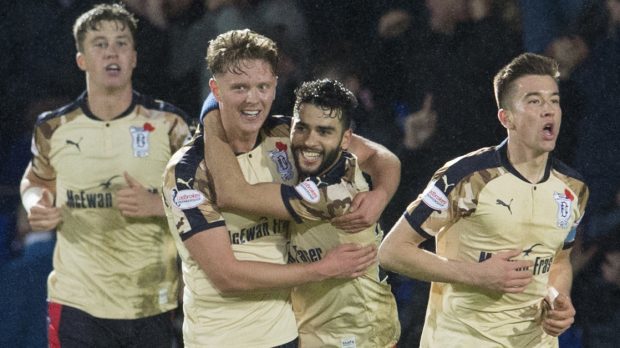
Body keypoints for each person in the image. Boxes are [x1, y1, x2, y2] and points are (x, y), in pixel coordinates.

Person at [162, 29, 395, 347]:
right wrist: (322, 270)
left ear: (275, 85)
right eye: (239, 87)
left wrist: (380, 193)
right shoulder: (187, 170)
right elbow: (227, 276)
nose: (252, 99)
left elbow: (380, 156)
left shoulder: (287, 135)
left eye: (262, 86)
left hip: (287, 333)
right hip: (221, 339)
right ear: (215, 90)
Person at [378, 52, 589, 347]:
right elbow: (391, 251)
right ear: (507, 118)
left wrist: (558, 297)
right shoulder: (467, 177)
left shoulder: (572, 188)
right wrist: (477, 275)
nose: (549, 110)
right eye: (534, 101)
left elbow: (558, 262)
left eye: (554, 100)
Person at [19, 4, 190, 347]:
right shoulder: (53, 126)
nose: (112, 51)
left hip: (150, 302)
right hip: (76, 303)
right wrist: (37, 203)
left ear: (134, 58)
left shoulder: (170, 125)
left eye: (122, 43)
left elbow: (206, 197)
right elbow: (36, 181)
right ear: (81, 59)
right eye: (100, 43)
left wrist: (159, 205)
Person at [202, 78, 401, 347]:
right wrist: (382, 193)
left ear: (345, 140)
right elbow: (381, 156)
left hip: (358, 334)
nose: (310, 141)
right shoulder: (319, 160)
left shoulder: (335, 194)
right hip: (312, 330)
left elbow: (231, 194)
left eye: (324, 132)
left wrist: (213, 110)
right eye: (302, 128)